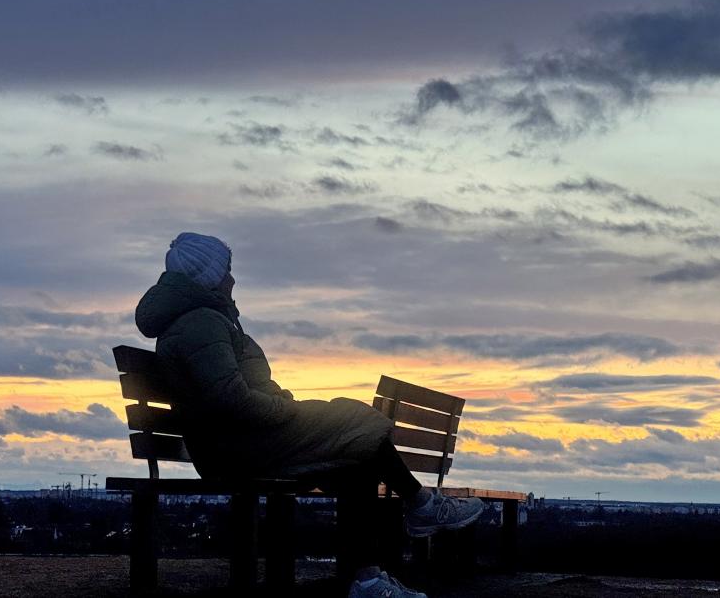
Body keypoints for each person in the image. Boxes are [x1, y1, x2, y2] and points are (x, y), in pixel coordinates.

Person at [135, 232, 484, 598]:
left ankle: (368, 579)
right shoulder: (199, 324)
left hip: (245, 440)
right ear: (210, 276)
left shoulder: (206, 320)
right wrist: (284, 410)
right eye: (227, 270)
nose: (232, 279)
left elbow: (236, 391)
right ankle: (421, 505)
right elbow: (230, 398)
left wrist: (280, 404)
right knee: (353, 418)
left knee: (357, 458)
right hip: (238, 450)